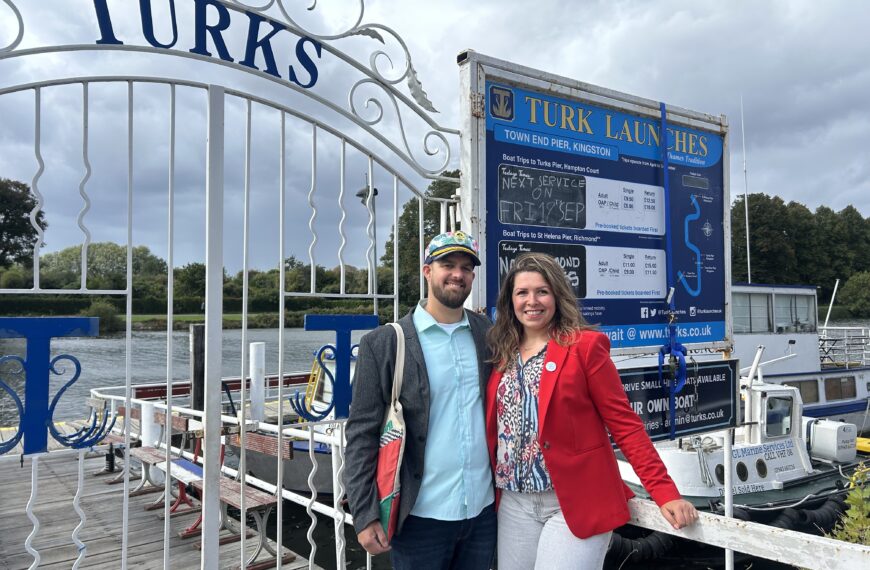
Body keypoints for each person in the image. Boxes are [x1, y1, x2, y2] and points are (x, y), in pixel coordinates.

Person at [485, 252, 698, 570]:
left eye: (542, 291)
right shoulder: (501, 353)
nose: (532, 301)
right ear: (510, 300)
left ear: (557, 296)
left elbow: (625, 425)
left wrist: (665, 492)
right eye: (522, 292)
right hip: (514, 501)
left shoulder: (584, 347)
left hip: (574, 501)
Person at [344, 231, 497, 570]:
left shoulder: (486, 333)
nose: (458, 274)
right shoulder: (384, 343)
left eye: (466, 267)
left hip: (483, 512)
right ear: (428, 271)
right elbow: (361, 434)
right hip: (419, 518)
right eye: (448, 264)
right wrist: (364, 512)